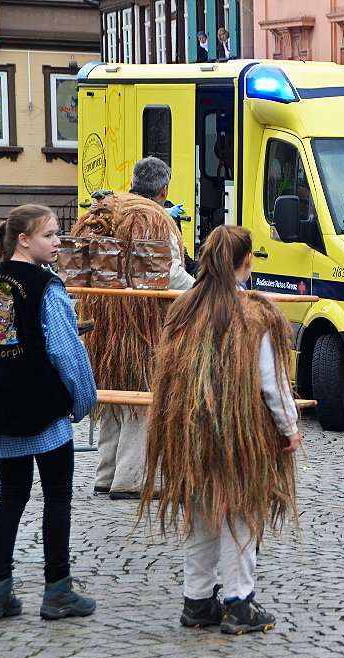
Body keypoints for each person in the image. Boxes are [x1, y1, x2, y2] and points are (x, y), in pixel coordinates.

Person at [139, 225, 300, 634]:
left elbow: (167, 375)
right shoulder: (256, 315)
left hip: (188, 433)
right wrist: (289, 428)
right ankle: (238, 602)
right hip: (239, 436)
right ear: (246, 261)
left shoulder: (185, 308)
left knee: (202, 513)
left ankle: (197, 602)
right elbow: (273, 383)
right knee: (241, 514)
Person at [0, 205, 97, 621]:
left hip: (3, 409)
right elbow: (65, 351)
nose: (57, 243)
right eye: (50, 235)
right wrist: (83, 399)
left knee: (12, 497)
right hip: (45, 411)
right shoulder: (46, 286)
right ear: (24, 239)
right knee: (57, 498)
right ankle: (57, 590)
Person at [89, 162, 195, 501]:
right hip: (141, 325)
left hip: (105, 323)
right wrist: (203, 290)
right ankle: (130, 479)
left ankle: (106, 473)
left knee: (113, 397)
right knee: (141, 397)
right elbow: (170, 272)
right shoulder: (154, 219)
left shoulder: (108, 208)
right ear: (164, 191)